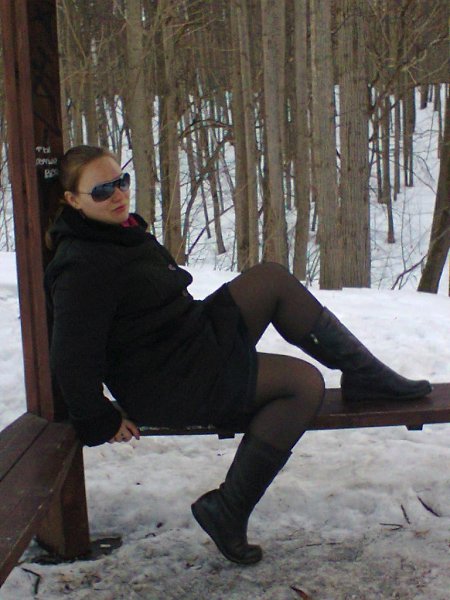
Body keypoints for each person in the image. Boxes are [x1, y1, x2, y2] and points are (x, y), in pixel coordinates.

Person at [45, 145, 432, 566]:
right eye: (102, 190)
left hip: (187, 340)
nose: (118, 195)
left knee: (271, 279)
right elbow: (70, 355)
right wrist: (97, 418)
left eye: (121, 181)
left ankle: (365, 373)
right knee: (303, 384)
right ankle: (228, 509)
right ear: (73, 200)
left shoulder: (115, 231)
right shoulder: (82, 265)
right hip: (169, 380)